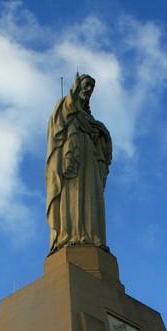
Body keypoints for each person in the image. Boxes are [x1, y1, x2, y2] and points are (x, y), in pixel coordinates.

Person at [45, 73, 113, 253]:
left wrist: (101, 133)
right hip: (72, 162)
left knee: (92, 198)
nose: (89, 89)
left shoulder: (91, 121)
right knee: (72, 197)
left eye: (92, 86)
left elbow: (103, 148)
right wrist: (71, 96)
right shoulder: (65, 106)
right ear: (77, 86)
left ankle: (93, 238)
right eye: (86, 84)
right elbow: (59, 121)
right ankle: (69, 236)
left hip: (89, 161)